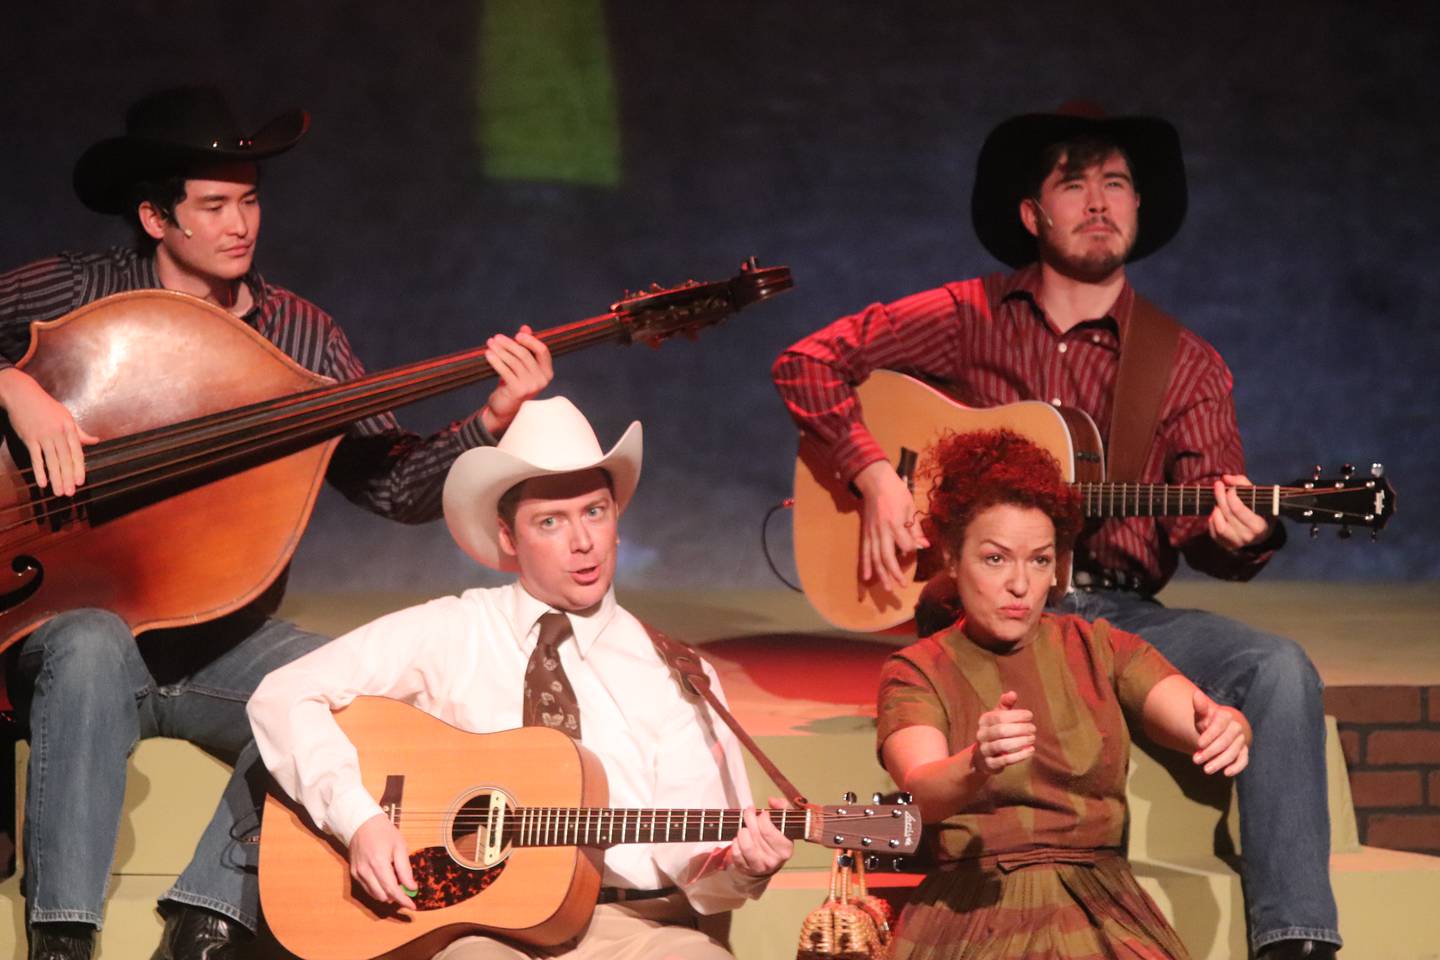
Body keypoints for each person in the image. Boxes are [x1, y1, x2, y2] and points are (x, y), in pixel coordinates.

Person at [772, 105, 1340, 958]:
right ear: (1033, 214)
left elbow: (1205, 540)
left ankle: (1295, 940)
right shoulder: (968, 315)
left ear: (1140, 210)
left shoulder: (1184, 363)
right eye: (1073, 184)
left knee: (1280, 670)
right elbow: (806, 362)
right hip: (971, 607)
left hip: (1117, 616)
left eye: (1116, 183)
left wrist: (1241, 530)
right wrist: (875, 474)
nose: (1099, 201)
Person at [0, 86, 553, 960]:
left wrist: (487, 422)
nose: (240, 223)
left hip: (219, 641)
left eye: (250, 200)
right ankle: (62, 940)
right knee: (89, 642)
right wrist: (15, 389)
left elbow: (394, 487)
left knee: (356, 693)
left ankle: (207, 920)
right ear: (154, 215)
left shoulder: (303, 337)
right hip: (71, 628)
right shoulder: (78, 291)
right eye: (213, 204)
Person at [247, 396, 793, 959]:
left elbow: (702, 874)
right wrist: (358, 819)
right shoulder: (455, 629)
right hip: (477, 928)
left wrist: (745, 868)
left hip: (635, 926)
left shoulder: (680, 675)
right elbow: (283, 694)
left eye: (595, 512)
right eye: (550, 522)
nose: (582, 541)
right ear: (509, 539)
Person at [879, 427, 1251, 959]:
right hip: (977, 908)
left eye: (1039, 560)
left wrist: (1229, 724)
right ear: (950, 557)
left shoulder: (1100, 647)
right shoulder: (920, 668)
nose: (1020, 584)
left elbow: (1198, 717)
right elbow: (921, 792)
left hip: (1101, 905)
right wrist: (977, 762)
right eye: (995, 559)